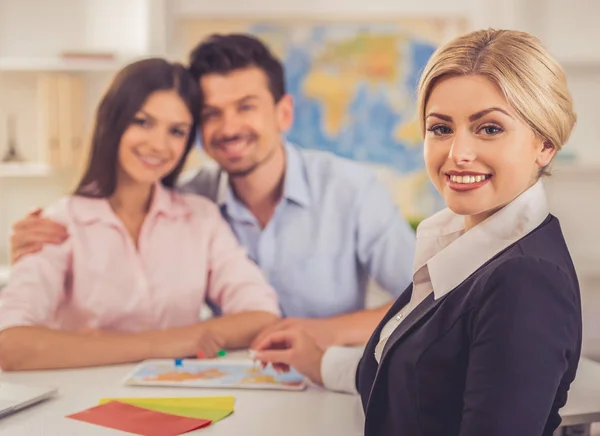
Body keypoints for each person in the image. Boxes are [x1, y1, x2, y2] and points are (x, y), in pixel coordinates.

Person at [253, 29, 582, 436]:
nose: (458, 153)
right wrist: (318, 360)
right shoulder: (460, 245)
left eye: (489, 129)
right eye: (441, 128)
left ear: (545, 144)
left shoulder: (525, 279)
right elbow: (419, 377)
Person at [9, 34, 417, 348]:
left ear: (283, 113)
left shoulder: (351, 190)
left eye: (245, 106)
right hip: (233, 381)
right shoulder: (190, 201)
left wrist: (316, 331)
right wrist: (37, 242)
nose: (228, 127)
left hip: (331, 374)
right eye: (211, 114)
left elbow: (422, 299)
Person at [0, 58, 281, 371]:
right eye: (143, 122)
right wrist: (168, 344)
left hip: (181, 399)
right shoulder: (60, 222)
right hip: (82, 405)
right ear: (114, 121)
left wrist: (93, 344)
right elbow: (11, 345)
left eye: (176, 131)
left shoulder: (200, 218)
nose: (158, 145)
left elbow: (262, 315)